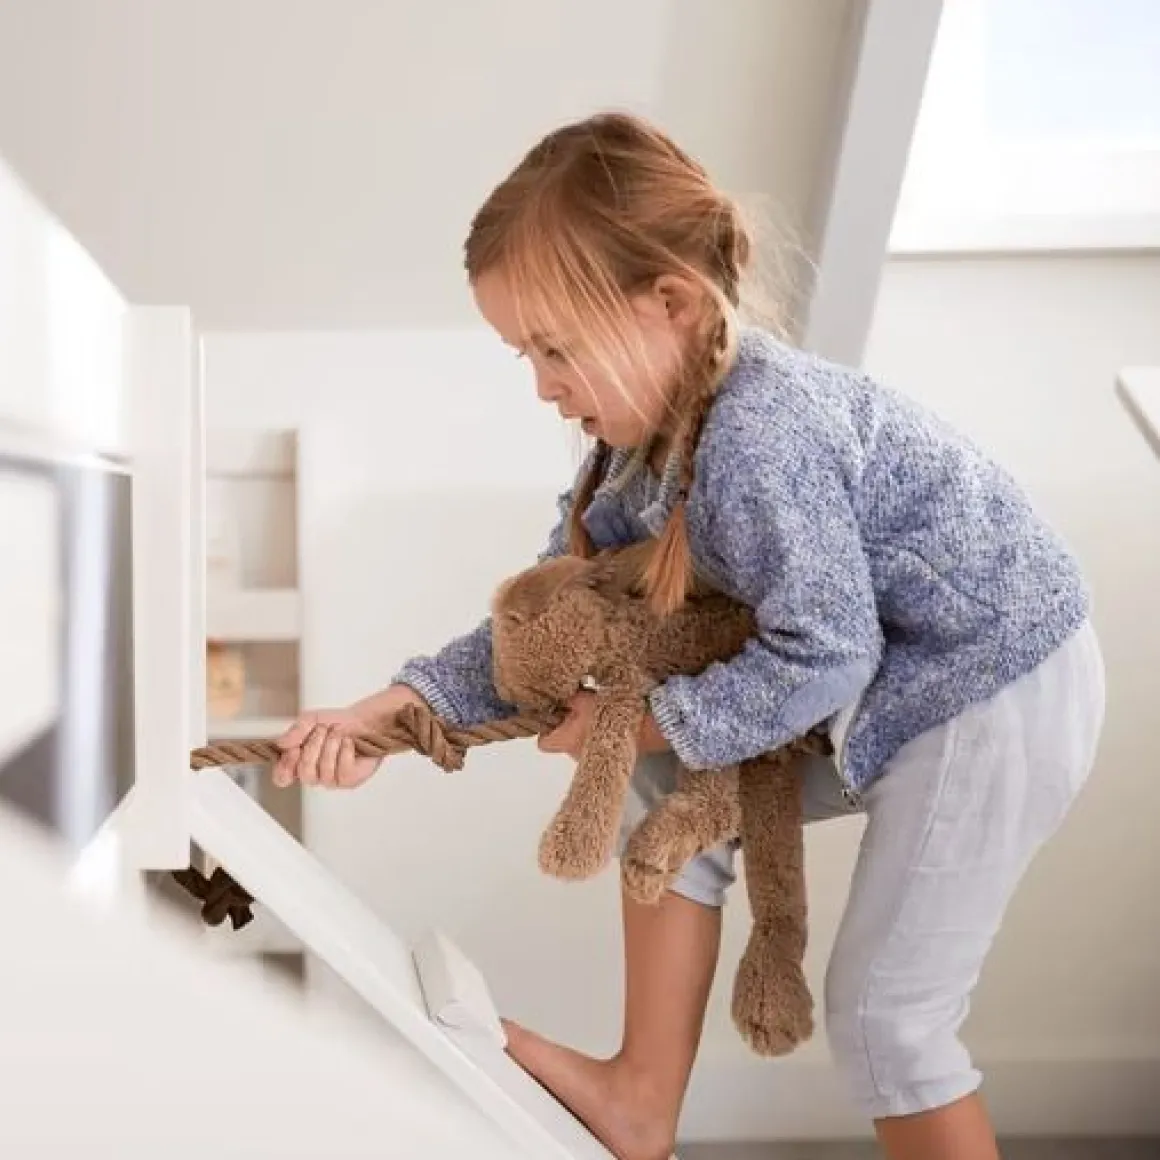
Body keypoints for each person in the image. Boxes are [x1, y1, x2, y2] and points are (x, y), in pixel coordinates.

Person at [273, 112, 1105, 1160]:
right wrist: (399, 710)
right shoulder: (632, 459)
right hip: (899, 683)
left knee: (887, 1021)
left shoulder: (762, 434)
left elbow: (827, 649)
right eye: (525, 354)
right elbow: (557, 621)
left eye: (555, 348)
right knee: (666, 789)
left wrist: (640, 723)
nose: (541, 383)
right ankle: (640, 1097)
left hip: (991, 683)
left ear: (667, 303)